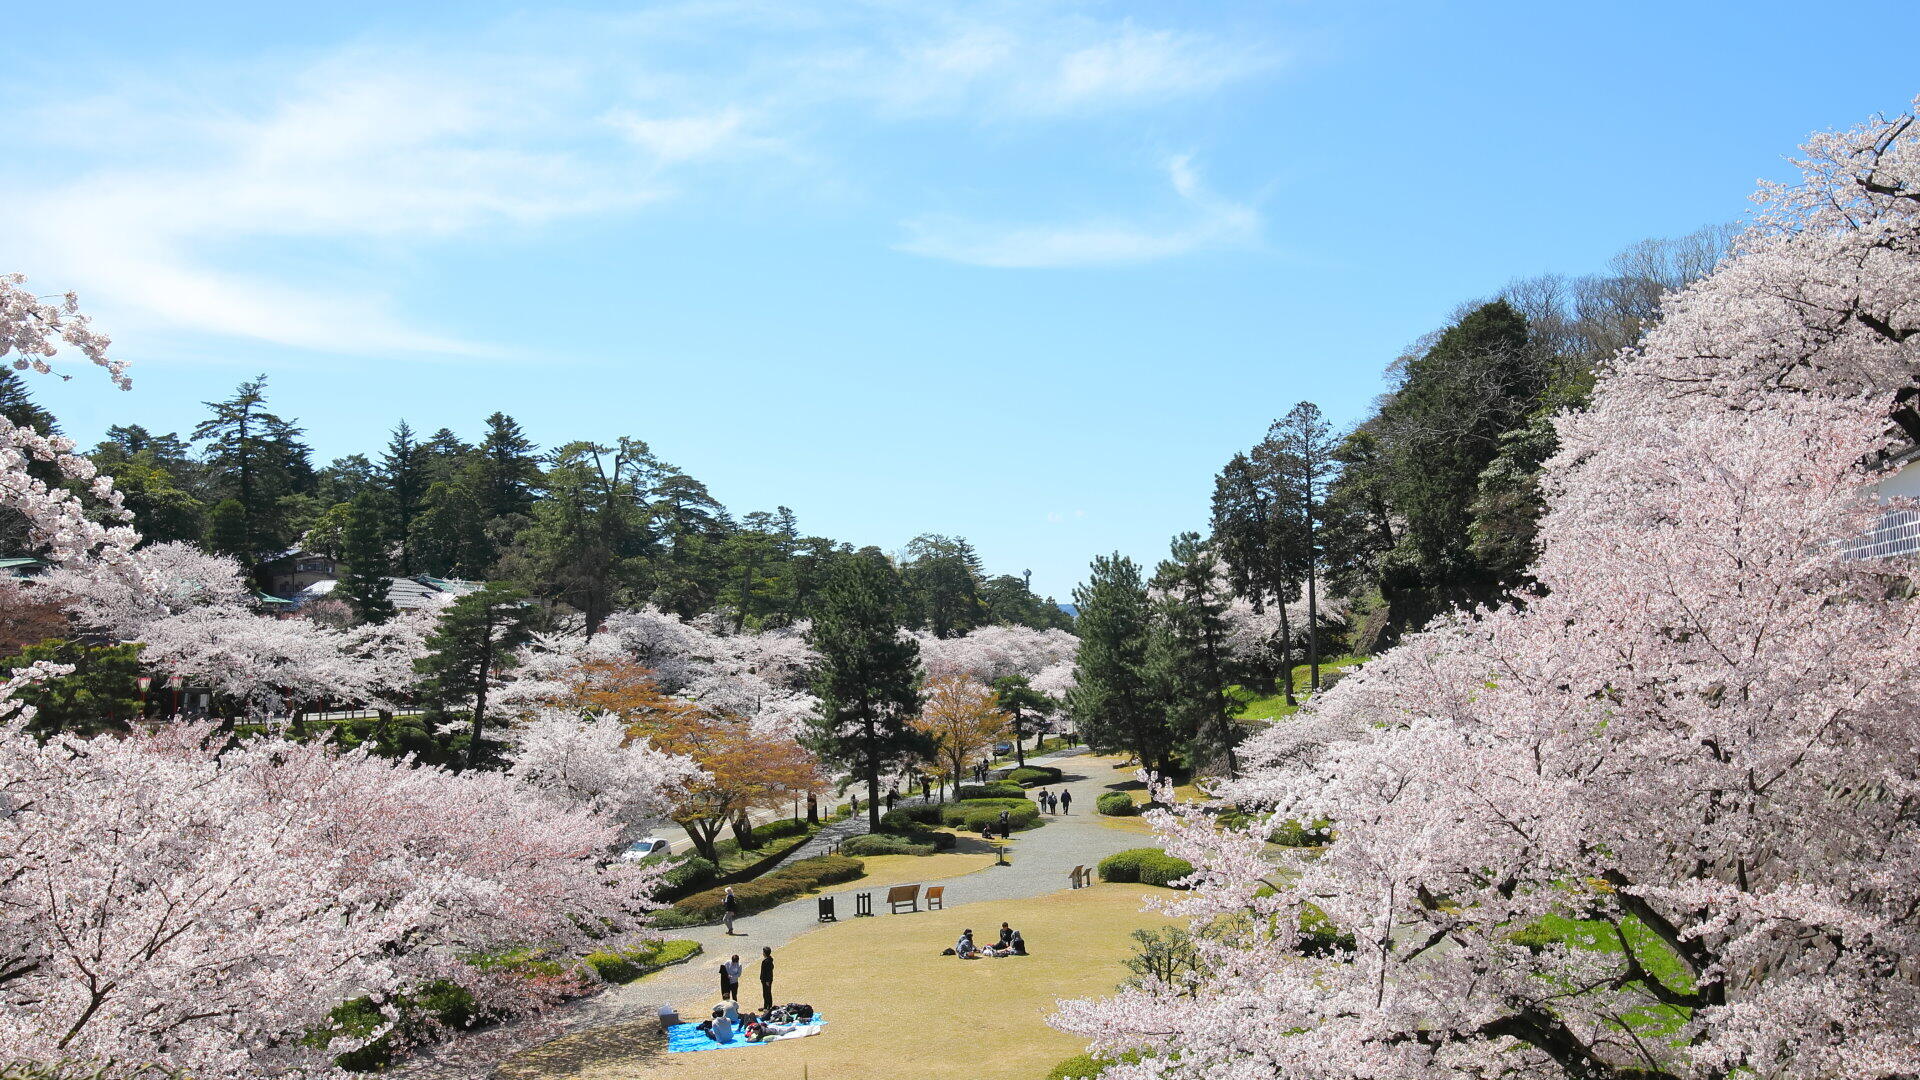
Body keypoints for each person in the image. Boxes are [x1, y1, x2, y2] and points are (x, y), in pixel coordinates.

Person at [759, 946, 775, 1012]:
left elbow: (768, 972)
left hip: (767, 980)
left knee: (767, 993)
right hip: (764, 979)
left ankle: (769, 1007)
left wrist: (768, 980)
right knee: (765, 993)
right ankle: (765, 1006)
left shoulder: (767, 961)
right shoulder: (768, 960)